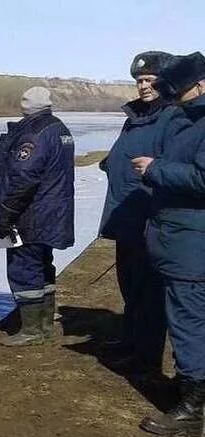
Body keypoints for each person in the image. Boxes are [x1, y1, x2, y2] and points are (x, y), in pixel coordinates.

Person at [132, 52, 205, 437]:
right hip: (179, 238)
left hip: (192, 242)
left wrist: (156, 169)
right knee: (188, 318)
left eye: (176, 91)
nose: (171, 97)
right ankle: (188, 389)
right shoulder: (187, 117)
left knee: (190, 321)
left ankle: (191, 410)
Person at [99, 51, 182, 376]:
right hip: (126, 216)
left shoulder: (173, 118)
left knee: (149, 291)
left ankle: (145, 354)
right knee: (130, 284)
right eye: (138, 81)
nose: (143, 87)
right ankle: (131, 340)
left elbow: (171, 167)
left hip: (151, 218)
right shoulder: (134, 118)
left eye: (149, 80)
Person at [0, 86, 76, 346]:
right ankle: (44, 324)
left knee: (24, 268)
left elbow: (24, 178)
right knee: (42, 266)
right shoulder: (59, 129)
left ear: (28, 105)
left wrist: (5, 212)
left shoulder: (34, 134)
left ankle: (32, 330)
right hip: (52, 212)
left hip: (31, 215)